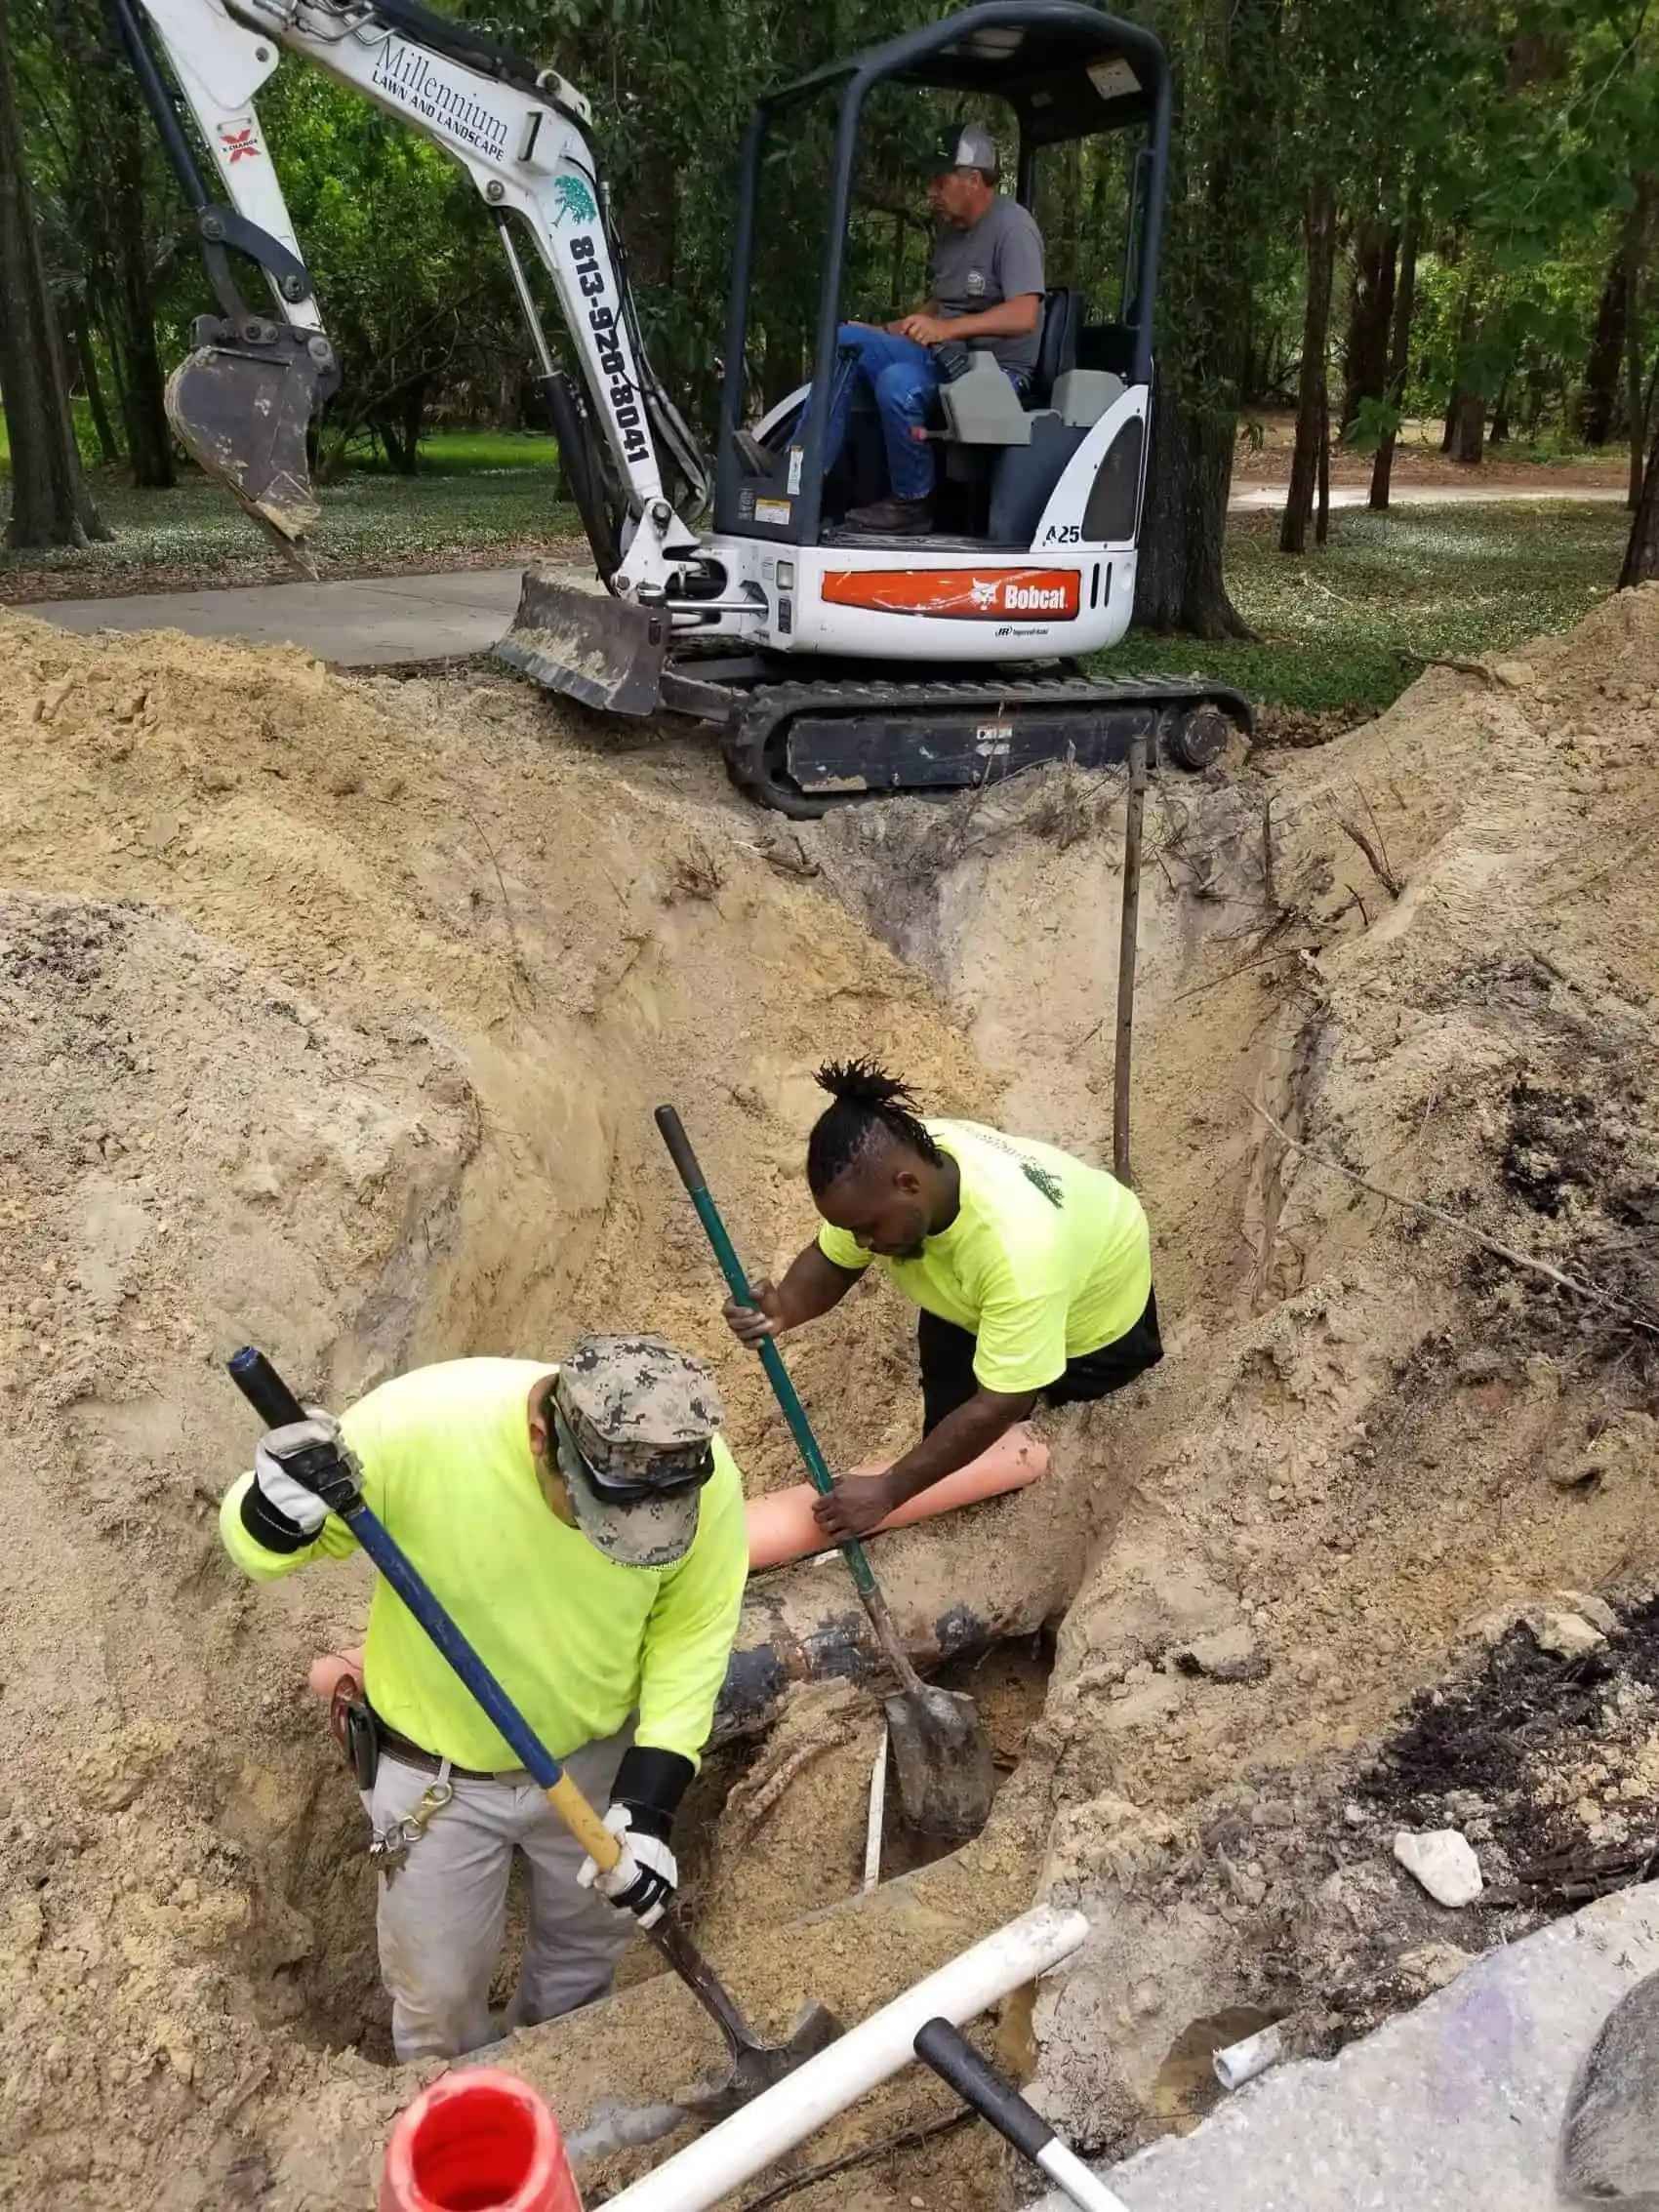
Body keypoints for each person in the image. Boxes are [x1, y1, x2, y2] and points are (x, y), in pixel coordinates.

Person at [220, 1335, 748, 2063]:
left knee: (581, 1965)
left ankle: (560, 2091)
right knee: (437, 1999)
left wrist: (649, 1802)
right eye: (601, 1518)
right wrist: (276, 1507)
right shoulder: (418, 1428)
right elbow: (260, 1555)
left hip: (593, 1761)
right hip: (435, 1781)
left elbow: (692, 1632)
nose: (620, 1545)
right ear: (543, 1438)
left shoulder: (696, 1474)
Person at [725, 1063, 1161, 1540]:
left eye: (868, 1228)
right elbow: (834, 1260)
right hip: (971, 1292)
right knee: (949, 1421)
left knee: (1077, 1436)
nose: (863, 1242)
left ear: (909, 1185)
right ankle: (953, 1504)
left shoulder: (1019, 1251)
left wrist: (889, 1490)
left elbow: (1001, 1402)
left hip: (1097, 1314)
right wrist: (784, 1307)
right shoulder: (890, 1172)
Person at [826, 124, 1045, 535]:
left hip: (996, 376)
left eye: (939, 181)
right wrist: (882, 330)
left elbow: (1024, 314)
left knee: (897, 384)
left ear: (973, 180)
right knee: (847, 339)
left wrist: (947, 330)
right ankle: (805, 472)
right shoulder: (950, 233)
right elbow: (939, 304)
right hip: (945, 359)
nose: (931, 192)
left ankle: (912, 503)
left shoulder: (1014, 229)